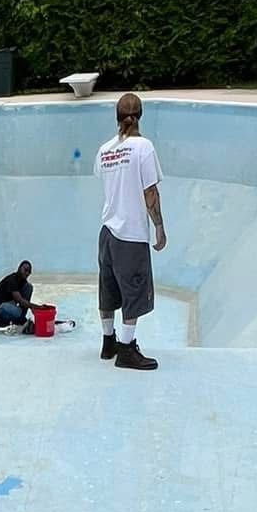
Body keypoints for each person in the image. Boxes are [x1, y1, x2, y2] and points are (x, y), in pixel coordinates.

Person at [94, 92, 166, 371]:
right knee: (134, 293)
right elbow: (150, 192)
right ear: (140, 116)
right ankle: (126, 350)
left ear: (117, 117)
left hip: (107, 231)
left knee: (108, 289)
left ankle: (108, 342)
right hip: (131, 235)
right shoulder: (143, 147)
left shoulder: (104, 150)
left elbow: (107, 181)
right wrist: (159, 226)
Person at [0, 260, 35, 332]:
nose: (27, 273)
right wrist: (35, 307)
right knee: (18, 312)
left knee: (29, 287)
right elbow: (19, 300)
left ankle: (20, 318)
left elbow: (21, 299)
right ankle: (0, 319)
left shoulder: (23, 281)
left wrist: (32, 307)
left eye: (29, 271)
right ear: (19, 268)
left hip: (9, 302)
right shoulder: (12, 280)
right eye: (25, 270)